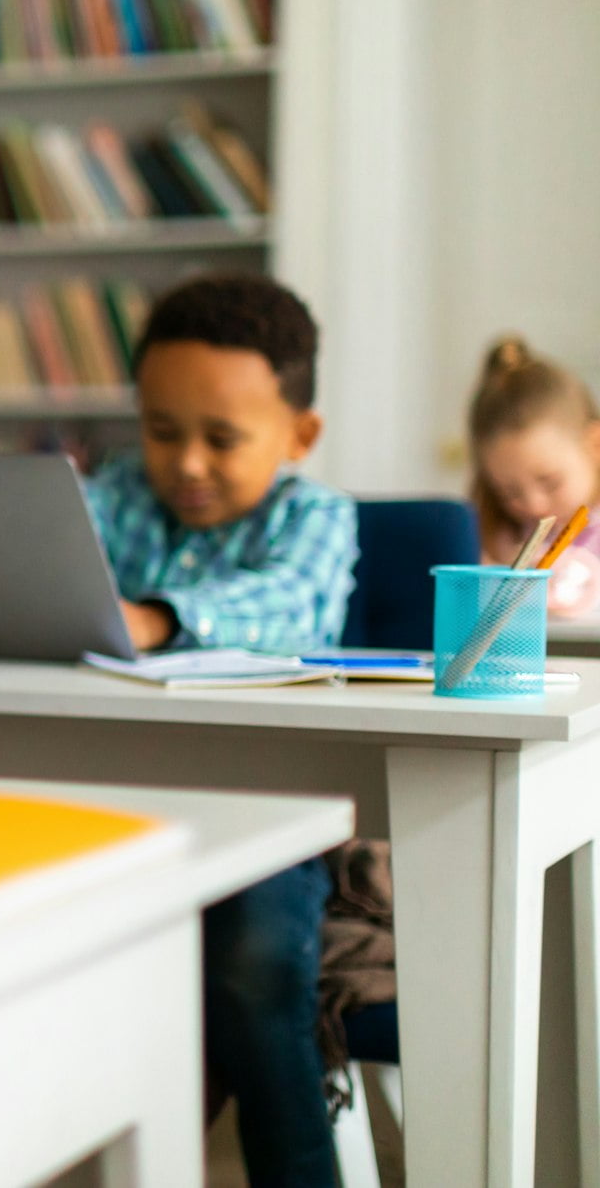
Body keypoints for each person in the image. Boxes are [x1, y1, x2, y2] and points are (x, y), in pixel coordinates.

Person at [83, 273, 358, 1188]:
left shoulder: (316, 518)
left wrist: (155, 615)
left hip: (272, 817)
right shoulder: (113, 494)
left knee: (254, 963)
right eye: (162, 431)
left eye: (222, 438)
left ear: (300, 436)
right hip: (116, 802)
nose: (187, 462)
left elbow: (290, 602)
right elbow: (46, 574)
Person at [468, 336, 600, 616]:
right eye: (509, 493)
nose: (535, 505)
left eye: (550, 481)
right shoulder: (501, 536)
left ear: (595, 445)